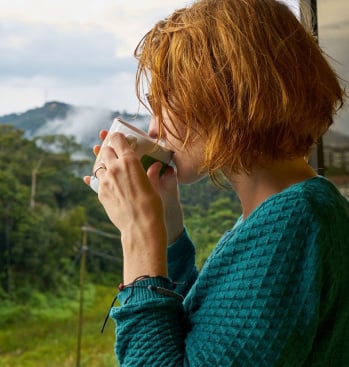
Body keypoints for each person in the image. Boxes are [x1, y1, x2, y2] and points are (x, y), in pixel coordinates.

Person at [83, 0, 348, 365]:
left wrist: (139, 238)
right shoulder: (285, 212)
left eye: (164, 104)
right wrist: (168, 230)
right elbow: (209, 335)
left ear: (221, 96)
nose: (155, 129)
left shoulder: (294, 221)